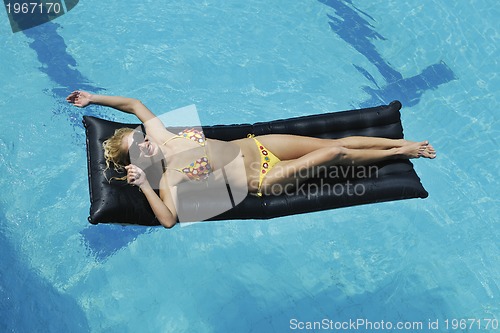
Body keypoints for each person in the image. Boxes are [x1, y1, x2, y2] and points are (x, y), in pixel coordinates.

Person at [67, 91, 436, 228]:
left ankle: (396, 145)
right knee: (335, 153)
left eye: (140, 136)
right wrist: (145, 186)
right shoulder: (170, 179)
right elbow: (168, 220)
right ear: (138, 160)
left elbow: (133, 104)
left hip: (258, 145)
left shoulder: (163, 136)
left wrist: (93, 98)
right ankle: (400, 149)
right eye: (139, 147)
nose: (145, 143)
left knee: (332, 140)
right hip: (267, 178)